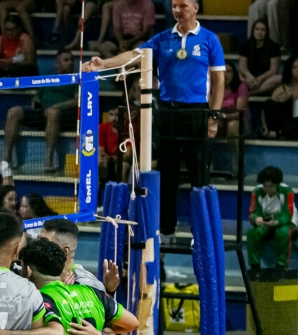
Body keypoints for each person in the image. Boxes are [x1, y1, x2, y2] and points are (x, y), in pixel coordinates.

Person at [84, 0, 227, 245]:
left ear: (195, 8)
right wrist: (104, 64)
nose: (177, 10)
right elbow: (135, 55)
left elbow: (219, 82)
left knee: (200, 178)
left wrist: (213, 118)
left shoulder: (209, 39)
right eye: (174, 6)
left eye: (183, 5)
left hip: (197, 113)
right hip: (167, 114)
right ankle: (167, 231)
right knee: (167, 177)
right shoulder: (162, 39)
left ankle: (201, 234)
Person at [3, 50, 77, 173]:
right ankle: (7, 158)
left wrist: (56, 106)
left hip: (64, 117)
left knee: (52, 113)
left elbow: (77, 100)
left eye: (71, 60)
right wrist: (35, 103)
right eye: (66, 60)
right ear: (57, 63)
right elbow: (37, 98)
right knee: (13, 111)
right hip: (43, 114)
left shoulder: (76, 79)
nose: (70, 63)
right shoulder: (47, 79)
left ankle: (48, 160)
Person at [247, 166, 298, 269]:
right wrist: (256, 219)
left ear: (277, 184)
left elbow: (288, 214)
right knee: (252, 232)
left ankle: (282, 265)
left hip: (285, 222)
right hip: (265, 223)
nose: (268, 189)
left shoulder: (287, 192)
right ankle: (254, 266)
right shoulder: (256, 192)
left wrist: (277, 221)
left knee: (283, 232)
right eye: (265, 186)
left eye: (271, 186)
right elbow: (253, 212)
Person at [266, 56, 298, 139]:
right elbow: (270, 104)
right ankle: (291, 133)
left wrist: (293, 96)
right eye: (294, 68)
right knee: (269, 103)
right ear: (289, 70)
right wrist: (283, 100)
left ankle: (281, 133)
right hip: (287, 120)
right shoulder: (282, 89)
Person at [0, 15, 39, 79]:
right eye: (7, 29)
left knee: (27, 70)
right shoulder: (0, 39)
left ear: (19, 28)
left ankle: (8, 78)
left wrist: (12, 63)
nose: (9, 33)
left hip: (18, 68)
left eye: (12, 30)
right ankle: (5, 78)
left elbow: (30, 62)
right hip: (4, 69)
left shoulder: (25, 39)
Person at [240, 19, 284, 100]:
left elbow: (273, 70)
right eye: (257, 29)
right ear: (253, 31)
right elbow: (242, 67)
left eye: (262, 30)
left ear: (267, 32)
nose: (259, 32)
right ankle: (249, 89)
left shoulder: (274, 47)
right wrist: (249, 77)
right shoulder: (246, 45)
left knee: (279, 78)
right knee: (237, 76)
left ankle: (252, 92)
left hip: (265, 79)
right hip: (249, 78)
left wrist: (259, 80)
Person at [99, 105, 136, 182]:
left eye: (117, 115)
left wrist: (112, 158)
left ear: (124, 115)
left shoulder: (129, 128)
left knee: (123, 166)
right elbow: (100, 150)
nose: (113, 118)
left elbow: (128, 156)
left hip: (122, 161)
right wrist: (104, 159)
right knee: (98, 162)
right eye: (111, 114)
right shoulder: (102, 127)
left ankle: (122, 189)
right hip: (108, 160)